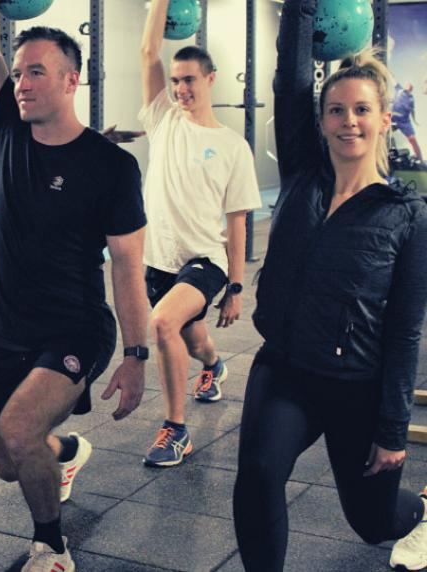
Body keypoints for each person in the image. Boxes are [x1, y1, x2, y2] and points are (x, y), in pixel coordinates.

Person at [233, 1, 427, 570]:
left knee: (372, 526)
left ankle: (418, 511)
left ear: (384, 119)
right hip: (286, 368)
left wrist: (393, 430)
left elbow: (405, 330)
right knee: (258, 476)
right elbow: (289, 76)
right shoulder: (302, 172)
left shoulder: (407, 215)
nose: (349, 121)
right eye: (336, 110)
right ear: (319, 121)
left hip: (357, 386)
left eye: (362, 110)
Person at [0, 2, 150, 570]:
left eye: (36, 71)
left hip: (75, 325)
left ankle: (52, 546)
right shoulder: (9, 131)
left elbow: (127, 266)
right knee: (7, 459)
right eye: (18, 72)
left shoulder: (111, 167)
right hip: (8, 324)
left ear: (73, 81)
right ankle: (64, 452)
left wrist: (137, 353)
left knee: (20, 430)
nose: (21, 83)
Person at [138, 0, 262, 468]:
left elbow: (237, 222)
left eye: (189, 79)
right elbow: (149, 50)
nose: (180, 88)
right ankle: (213, 366)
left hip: (204, 262)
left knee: (163, 324)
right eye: (175, 81)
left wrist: (234, 287)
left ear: (210, 78)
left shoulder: (232, 145)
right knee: (191, 340)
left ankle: (176, 430)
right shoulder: (162, 119)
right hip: (159, 262)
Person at [392, 82, 422, 162]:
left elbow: (413, 111)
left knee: (412, 139)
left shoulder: (411, 98)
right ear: (406, 86)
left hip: (404, 121)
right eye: (408, 85)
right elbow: (392, 78)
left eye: (411, 86)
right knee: (382, 132)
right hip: (394, 117)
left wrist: (415, 121)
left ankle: (420, 159)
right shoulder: (399, 89)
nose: (410, 87)